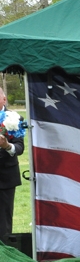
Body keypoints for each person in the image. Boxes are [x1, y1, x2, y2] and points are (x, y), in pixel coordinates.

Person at [0, 86, 24, 241]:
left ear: (4, 99)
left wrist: (7, 146)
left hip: (5, 177)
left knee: (3, 222)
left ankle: (4, 251)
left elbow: (20, 148)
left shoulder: (14, 118)